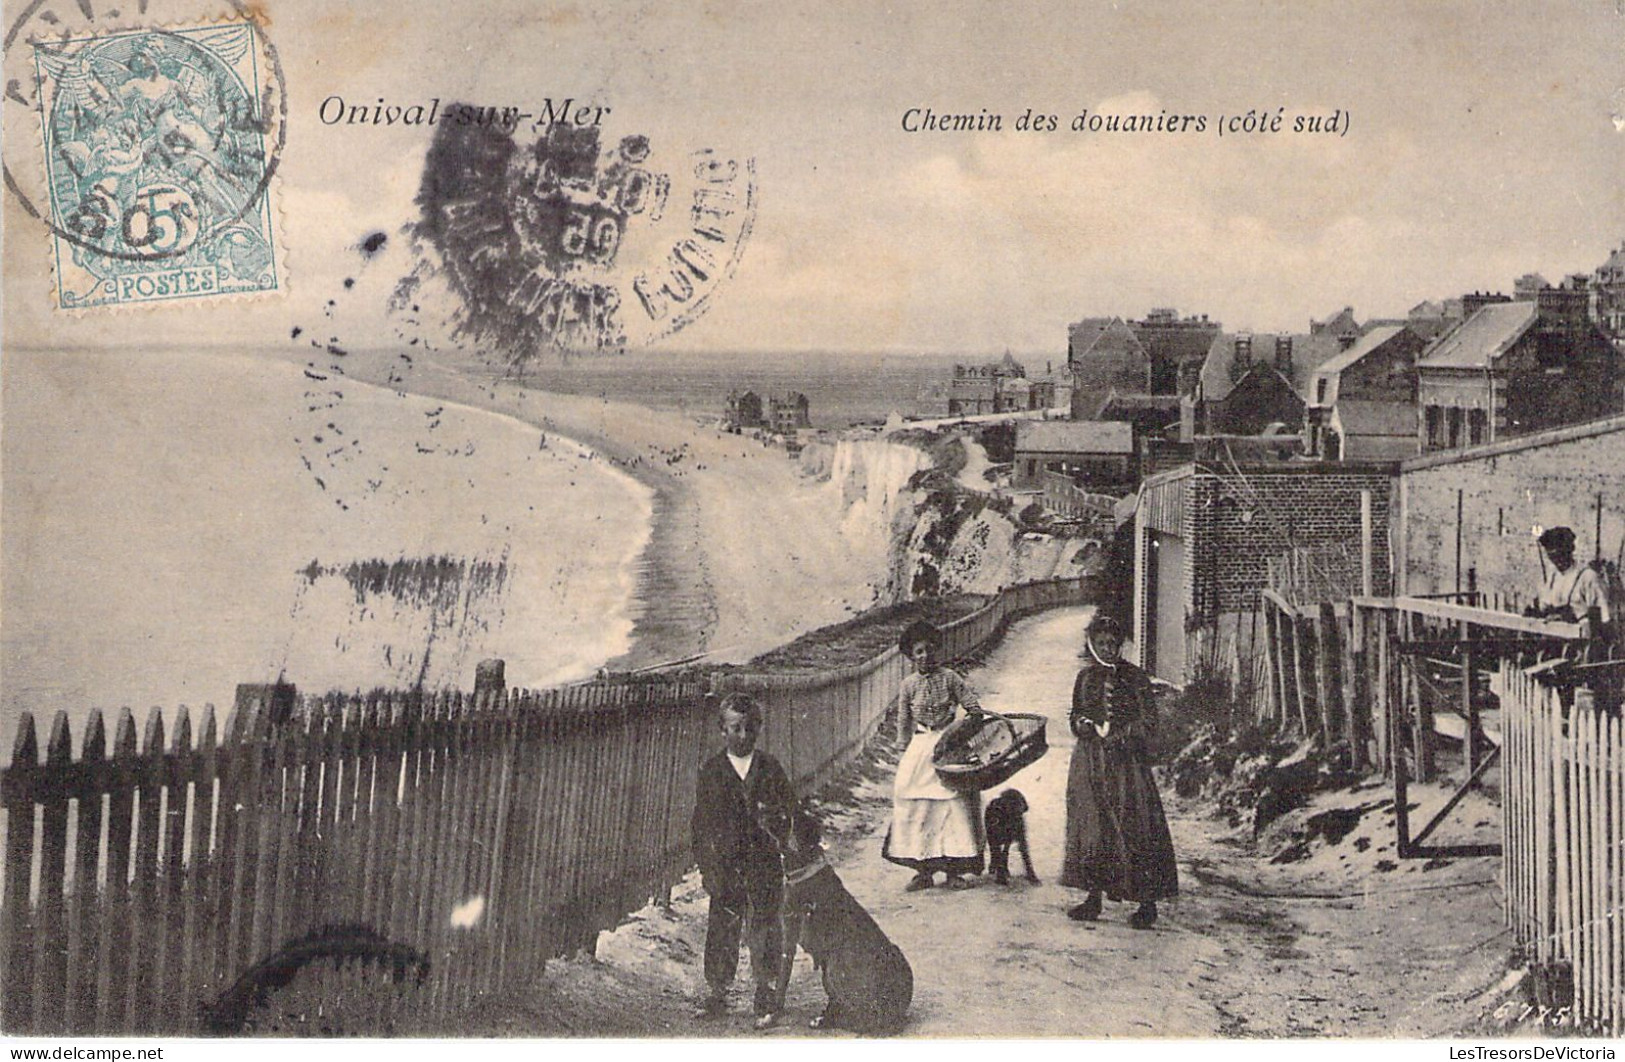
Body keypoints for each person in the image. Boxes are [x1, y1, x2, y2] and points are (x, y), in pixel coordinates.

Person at [1060, 613, 1179, 928]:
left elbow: (1149, 722)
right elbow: (1074, 715)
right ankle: (1093, 898)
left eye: (1113, 643)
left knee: (1136, 827)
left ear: (1121, 645)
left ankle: (1146, 904)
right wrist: (1082, 725)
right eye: (1101, 643)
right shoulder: (1084, 678)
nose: (1108, 649)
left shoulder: (1136, 678)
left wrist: (1122, 736)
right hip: (1090, 763)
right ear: (1092, 644)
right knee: (1092, 829)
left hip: (1127, 767)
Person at [690, 693, 795, 1027]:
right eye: (736, 728)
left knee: (766, 924)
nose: (743, 735)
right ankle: (718, 991)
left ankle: (766, 991)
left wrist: (776, 825)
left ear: (759, 729)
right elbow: (701, 824)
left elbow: (788, 811)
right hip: (726, 864)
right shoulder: (712, 771)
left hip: (763, 862)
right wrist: (708, 867)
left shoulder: (770, 768)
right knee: (723, 925)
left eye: (750, 728)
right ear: (723, 730)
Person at [882, 621, 987, 891]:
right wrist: (903, 747)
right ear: (911, 656)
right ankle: (923, 870)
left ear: (937, 650)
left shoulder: (950, 677)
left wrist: (958, 729)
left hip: (948, 745)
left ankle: (954, 871)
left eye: (930, 650)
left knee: (954, 804)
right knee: (914, 802)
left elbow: (973, 708)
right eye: (919, 652)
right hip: (920, 747)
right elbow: (904, 719)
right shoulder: (908, 685)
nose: (925, 656)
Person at [1528, 526, 1612, 629]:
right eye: (1551, 556)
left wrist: (1571, 617)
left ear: (1570, 550)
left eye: (1560, 554)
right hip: (1556, 637)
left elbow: (1603, 618)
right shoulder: (1554, 576)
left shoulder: (1588, 577)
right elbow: (1544, 606)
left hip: (1582, 639)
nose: (1556, 561)